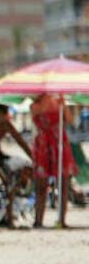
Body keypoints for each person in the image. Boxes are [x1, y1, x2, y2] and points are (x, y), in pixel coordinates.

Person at [30, 94, 78, 228]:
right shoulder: (36, 104)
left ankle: (61, 219)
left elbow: (69, 120)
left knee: (63, 184)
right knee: (41, 185)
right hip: (44, 144)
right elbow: (37, 115)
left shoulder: (60, 101)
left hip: (59, 143)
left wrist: (63, 105)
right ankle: (38, 220)